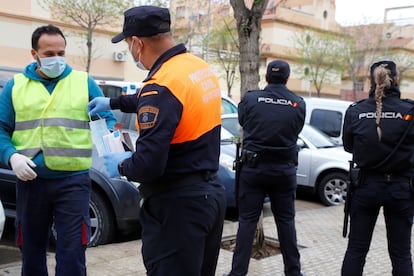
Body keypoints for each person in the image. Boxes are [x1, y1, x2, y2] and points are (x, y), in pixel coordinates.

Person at [87, 5, 226, 276]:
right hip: (209, 196)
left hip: (177, 208)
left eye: (128, 44)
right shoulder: (196, 67)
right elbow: (171, 101)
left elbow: (149, 165)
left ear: (137, 43)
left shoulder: (161, 84)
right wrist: (114, 102)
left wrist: (122, 165)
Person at [0, 24, 116, 276]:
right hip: (31, 183)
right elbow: (0, 130)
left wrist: (113, 148)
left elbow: (106, 119)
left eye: (61, 53)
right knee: (31, 255)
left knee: (72, 256)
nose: (57, 59)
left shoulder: (83, 83)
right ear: (34, 54)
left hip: (72, 183)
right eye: (49, 54)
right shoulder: (15, 86)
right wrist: (12, 156)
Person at [227, 60, 305, 276]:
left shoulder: (251, 99)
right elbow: (296, 129)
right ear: (287, 78)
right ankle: (294, 272)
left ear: (267, 77)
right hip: (284, 171)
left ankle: (238, 273)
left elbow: (243, 121)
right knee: (286, 222)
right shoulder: (298, 103)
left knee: (247, 222)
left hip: (254, 170)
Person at [341, 60, 414, 276]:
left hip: (366, 187)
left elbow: (348, 146)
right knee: (401, 254)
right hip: (401, 189)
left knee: (356, 250)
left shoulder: (356, 111)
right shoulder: (410, 111)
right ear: (397, 80)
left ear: (371, 82)